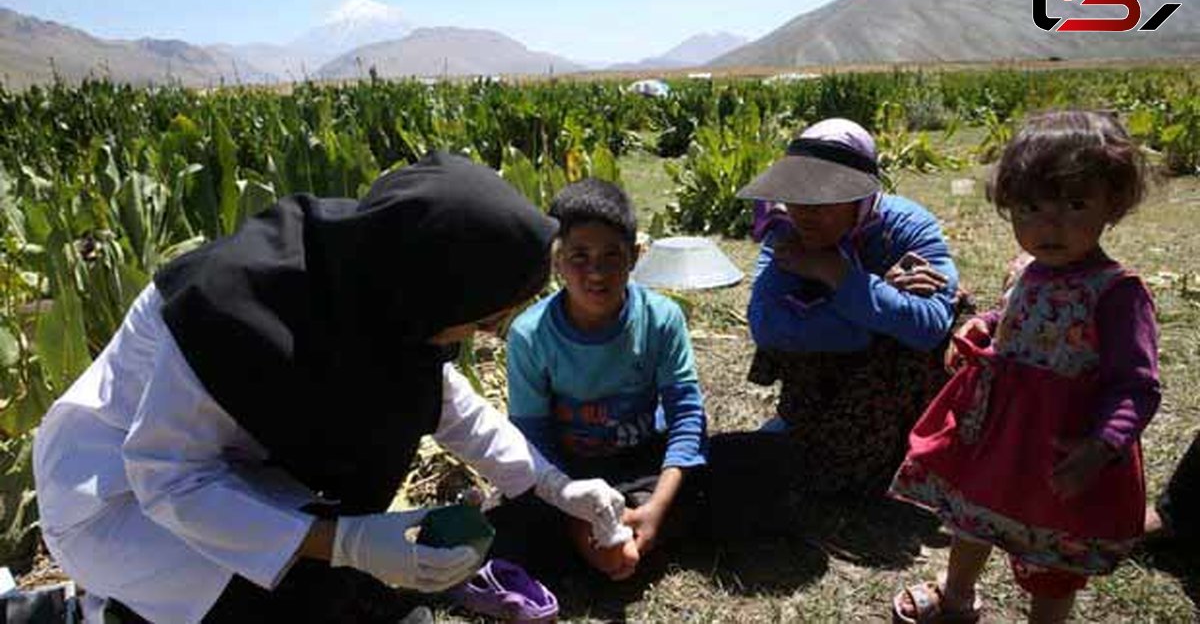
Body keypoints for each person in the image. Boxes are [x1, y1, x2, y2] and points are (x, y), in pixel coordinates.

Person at [32, 152, 628, 624]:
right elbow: (169, 482)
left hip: (233, 474)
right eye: (484, 319)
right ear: (440, 292)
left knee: (352, 596)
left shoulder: (377, 281)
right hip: (114, 498)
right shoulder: (231, 313)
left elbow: (451, 407)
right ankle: (92, 610)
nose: (492, 333)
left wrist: (559, 487)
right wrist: (347, 543)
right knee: (280, 605)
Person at [889, 111, 1160, 623]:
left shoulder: (1117, 293)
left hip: (1062, 449)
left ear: (1114, 204)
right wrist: (984, 325)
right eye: (1029, 208)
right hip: (1001, 436)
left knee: (1052, 557)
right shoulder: (1028, 269)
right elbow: (1016, 310)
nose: (1048, 226)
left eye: (1075, 205)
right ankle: (957, 596)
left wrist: (1101, 447)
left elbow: (1137, 385)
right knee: (972, 518)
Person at [706, 118, 960, 535]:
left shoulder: (910, 228)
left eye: (823, 200)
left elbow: (932, 324)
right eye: (798, 197)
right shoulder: (787, 232)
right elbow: (767, 324)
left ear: (862, 196)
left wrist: (840, 276)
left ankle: (902, 448)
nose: (805, 213)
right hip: (824, 375)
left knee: (958, 313)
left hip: (891, 383)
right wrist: (876, 303)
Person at [487, 178, 708, 582]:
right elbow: (533, 440)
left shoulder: (661, 319)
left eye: (612, 255)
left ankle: (642, 523)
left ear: (635, 257)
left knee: (744, 469)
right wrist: (577, 519)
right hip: (566, 474)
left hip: (641, 461)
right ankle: (608, 538)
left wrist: (656, 508)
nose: (596, 272)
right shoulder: (530, 334)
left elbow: (687, 418)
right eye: (579, 256)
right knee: (505, 529)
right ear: (556, 262)